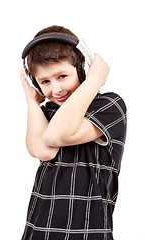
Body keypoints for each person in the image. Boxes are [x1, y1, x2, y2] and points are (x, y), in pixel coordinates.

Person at [20, 25, 127, 240]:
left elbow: (55, 136)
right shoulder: (48, 112)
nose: (56, 89)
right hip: (41, 228)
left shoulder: (109, 105)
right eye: (45, 82)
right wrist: (31, 100)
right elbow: (43, 150)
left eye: (62, 76)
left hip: (87, 230)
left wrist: (94, 80)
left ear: (82, 69)